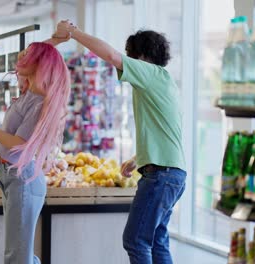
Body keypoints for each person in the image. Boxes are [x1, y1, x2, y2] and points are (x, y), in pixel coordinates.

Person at [55, 21, 187, 264]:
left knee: (135, 241)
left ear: (144, 56)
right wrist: (139, 158)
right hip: (172, 173)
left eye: (132, 56)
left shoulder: (150, 74)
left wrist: (74, 33)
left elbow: (110, 55)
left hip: (161, 175)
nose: (127, 61)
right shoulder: (164, 82)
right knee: (157, 240)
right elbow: (167, 130)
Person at [0, 33, 71, 264]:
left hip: (23, 178)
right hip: (11, 174)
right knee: (20, 252)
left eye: (30, 57)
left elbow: (18, 144)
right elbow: (28, 58)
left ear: (38, 64)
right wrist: (53, 41)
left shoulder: (39, 103)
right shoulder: (30, 91)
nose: (22, 59)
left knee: (16, 255)